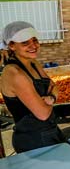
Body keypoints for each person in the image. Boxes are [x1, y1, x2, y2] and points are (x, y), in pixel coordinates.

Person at [0, 21, 65, 153]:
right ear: (12, 45)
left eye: (34, 40)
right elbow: (43, 114)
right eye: (25, 42)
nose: (33, 46)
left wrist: (51, 98)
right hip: (34, 140)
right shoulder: (14, 73)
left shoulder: (33, 63)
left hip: (51, 130)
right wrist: (51, 96)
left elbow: (54, 86)